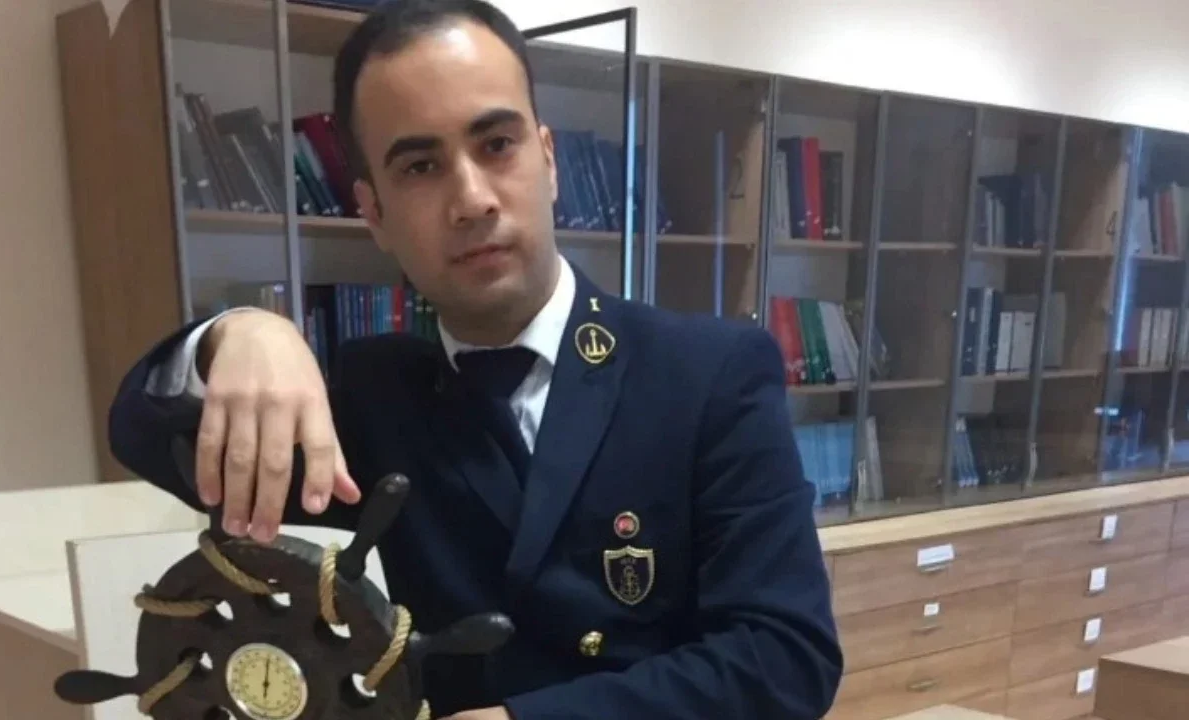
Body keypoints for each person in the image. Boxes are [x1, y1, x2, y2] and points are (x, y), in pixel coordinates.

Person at [108, 0, 843, 717]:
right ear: (374, 213)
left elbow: (784, 658)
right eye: (420, 166)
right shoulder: (374, 398)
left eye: (496, 145)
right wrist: (233, 335)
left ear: (548, 161)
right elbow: (148, 441)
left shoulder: (707, 373)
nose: (471, 199)